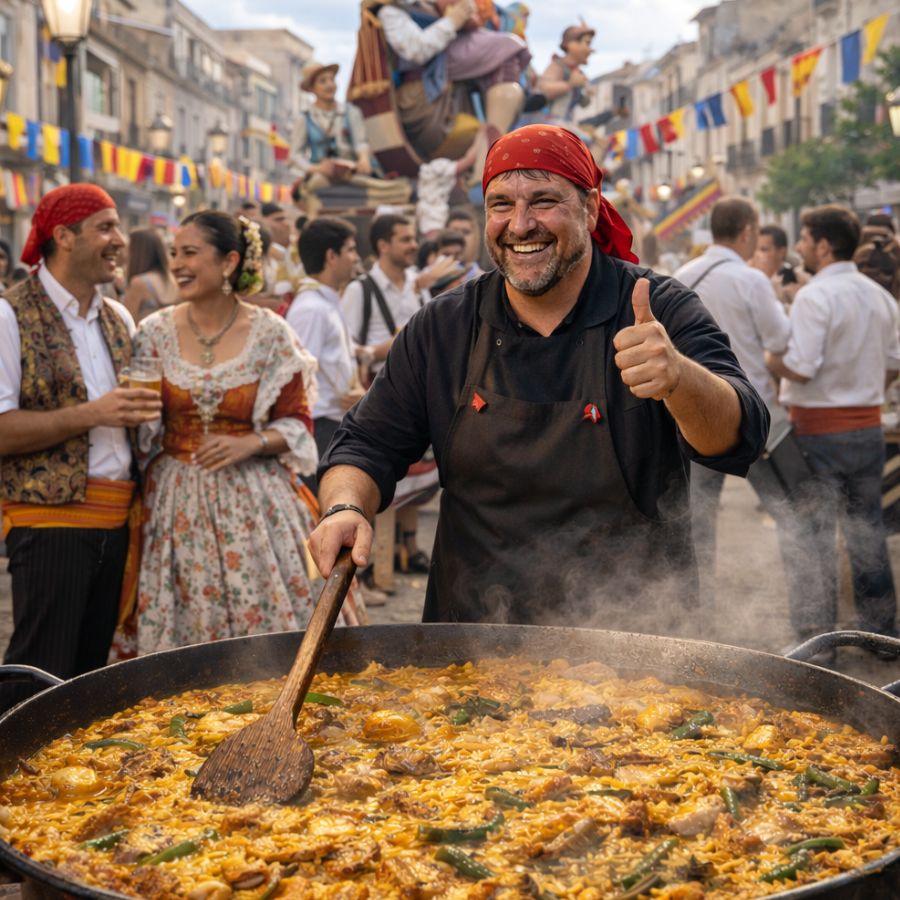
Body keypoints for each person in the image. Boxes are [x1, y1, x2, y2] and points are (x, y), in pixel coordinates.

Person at [309, 124, 768, 631]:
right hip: (469, 641)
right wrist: (345, 507)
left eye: (543, 201)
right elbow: (366, 443)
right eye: (501, 204)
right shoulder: (444, 326)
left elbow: (740, 436)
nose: (520, 225)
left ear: (590, 208)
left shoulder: (658, 307)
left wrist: (679, 378)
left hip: (635, 636)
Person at [132, 211, 362, 655]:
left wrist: (250, 442)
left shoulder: (270, 333)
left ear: (229, 261)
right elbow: (141, 422)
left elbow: (297, 422)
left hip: (255, 499)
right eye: (174, 253)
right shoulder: (152, 332)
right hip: (175, 501)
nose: (177, 264)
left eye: (190, 253)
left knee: (273, 632)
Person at [0, 185, 161, 708]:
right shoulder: (9, 315)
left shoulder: (118, 316)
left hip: (117, 520)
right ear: (64, 237)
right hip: (49, 520)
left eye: (118, 227)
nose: (120, 240)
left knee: (93, 674)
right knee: (40, 668)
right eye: (105, 227)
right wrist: (94, 413)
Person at [767, 204, 900, 651]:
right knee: (868, 533)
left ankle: (818, 642)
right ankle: (882, 635)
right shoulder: (878, 296)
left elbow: (801, 368)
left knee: (812, 538)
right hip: (867, 428)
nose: (801, 246)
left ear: (824, 246)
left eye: (805, 238)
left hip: (819, 431)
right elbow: (894, 362)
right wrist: (863, 387)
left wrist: (770, 359)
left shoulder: (815, 296)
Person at [673, 198, 803, 620]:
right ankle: (809, 621)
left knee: (697, 526)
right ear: (747, 231)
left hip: (696, 416)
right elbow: (779, 340)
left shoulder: (681, 277)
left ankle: (699, 619)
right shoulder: (751, 280)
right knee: (793, 517)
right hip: (756, 419)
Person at [341, 214, 436, 573]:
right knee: (383, 471)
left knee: (417, 474)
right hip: (377, 390)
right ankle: (375, 562)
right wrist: (382, 349)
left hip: (418, 391)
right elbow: (348, 347)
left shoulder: (418, 285)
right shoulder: (360, 289)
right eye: (405, 239)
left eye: (413, 238)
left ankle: (407, 548)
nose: (413, 245)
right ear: (383, 245)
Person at [373, 0, 532, 177]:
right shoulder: (392, 11)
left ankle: (489, 151)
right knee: (506, 47)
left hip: (452, 94)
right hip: (425, 104)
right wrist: (453, 21)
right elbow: (415, 50)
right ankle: (487, 158)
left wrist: (466, 17)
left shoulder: (431, 6)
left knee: (507, 56)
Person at [287, 217, 365, 466]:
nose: (356, 258)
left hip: (335, 422)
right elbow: (298, 376)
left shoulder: (326, 301)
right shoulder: (311, 309)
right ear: (331, 256)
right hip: (319, 426)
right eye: (350, 250)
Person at [292, 61, 410, 211]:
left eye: (332, 80)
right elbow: (295, 155)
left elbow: (361, 142)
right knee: (314, 188)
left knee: (377, 187)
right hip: (323, 172)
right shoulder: (305, 118)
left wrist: (363, 159)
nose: (330, 85)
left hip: (352, 170)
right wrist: (316, 168)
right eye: (323, 81)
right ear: (312, 89)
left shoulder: (351, 112)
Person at [537, 24, 596, 125]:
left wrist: (588, 93)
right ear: (571, 45)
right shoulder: (558, 66)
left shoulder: (578, 73)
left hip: (565, 122)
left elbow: (583, 103)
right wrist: (570, 84)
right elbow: (544, 90)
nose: (591, 50)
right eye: (587, 43)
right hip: (548, 121)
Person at [122, 227, 178, 322]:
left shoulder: (139, 283)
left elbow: (126, 322)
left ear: (136, 252)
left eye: (128, 249)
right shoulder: (172, 278)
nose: (125, 254)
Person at [751, 224, 807, 305]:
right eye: (755, 249)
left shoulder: (795, 280)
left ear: (781, 252)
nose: (757, 254)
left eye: (764, 250)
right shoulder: (750, 278)